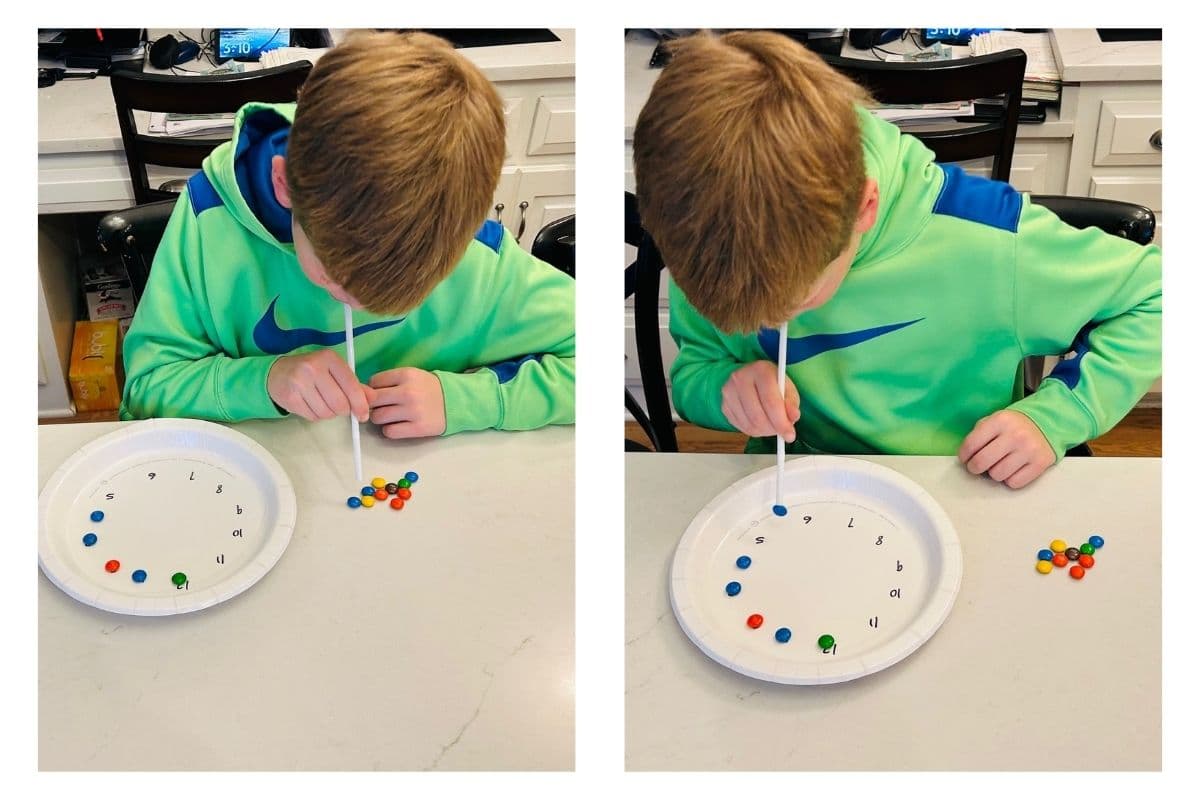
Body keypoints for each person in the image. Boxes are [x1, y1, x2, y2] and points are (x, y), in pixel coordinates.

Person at [633, 30, 1160, 488]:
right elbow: (695, 373)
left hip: (960, 480)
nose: (770, 323)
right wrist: (726, 391)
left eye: (796, 300)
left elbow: (1157, 297)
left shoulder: (988, 241)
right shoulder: (703, 236)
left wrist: (1058, 415)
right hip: (795, 484)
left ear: (864, 209)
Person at [121, 31, 574, 438]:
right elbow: (145, 390)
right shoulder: (209, 218)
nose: (356, 306)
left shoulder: (475, 253)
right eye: (335, 279)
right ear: (283, 185)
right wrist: (265, 380)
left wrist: (462, 400)